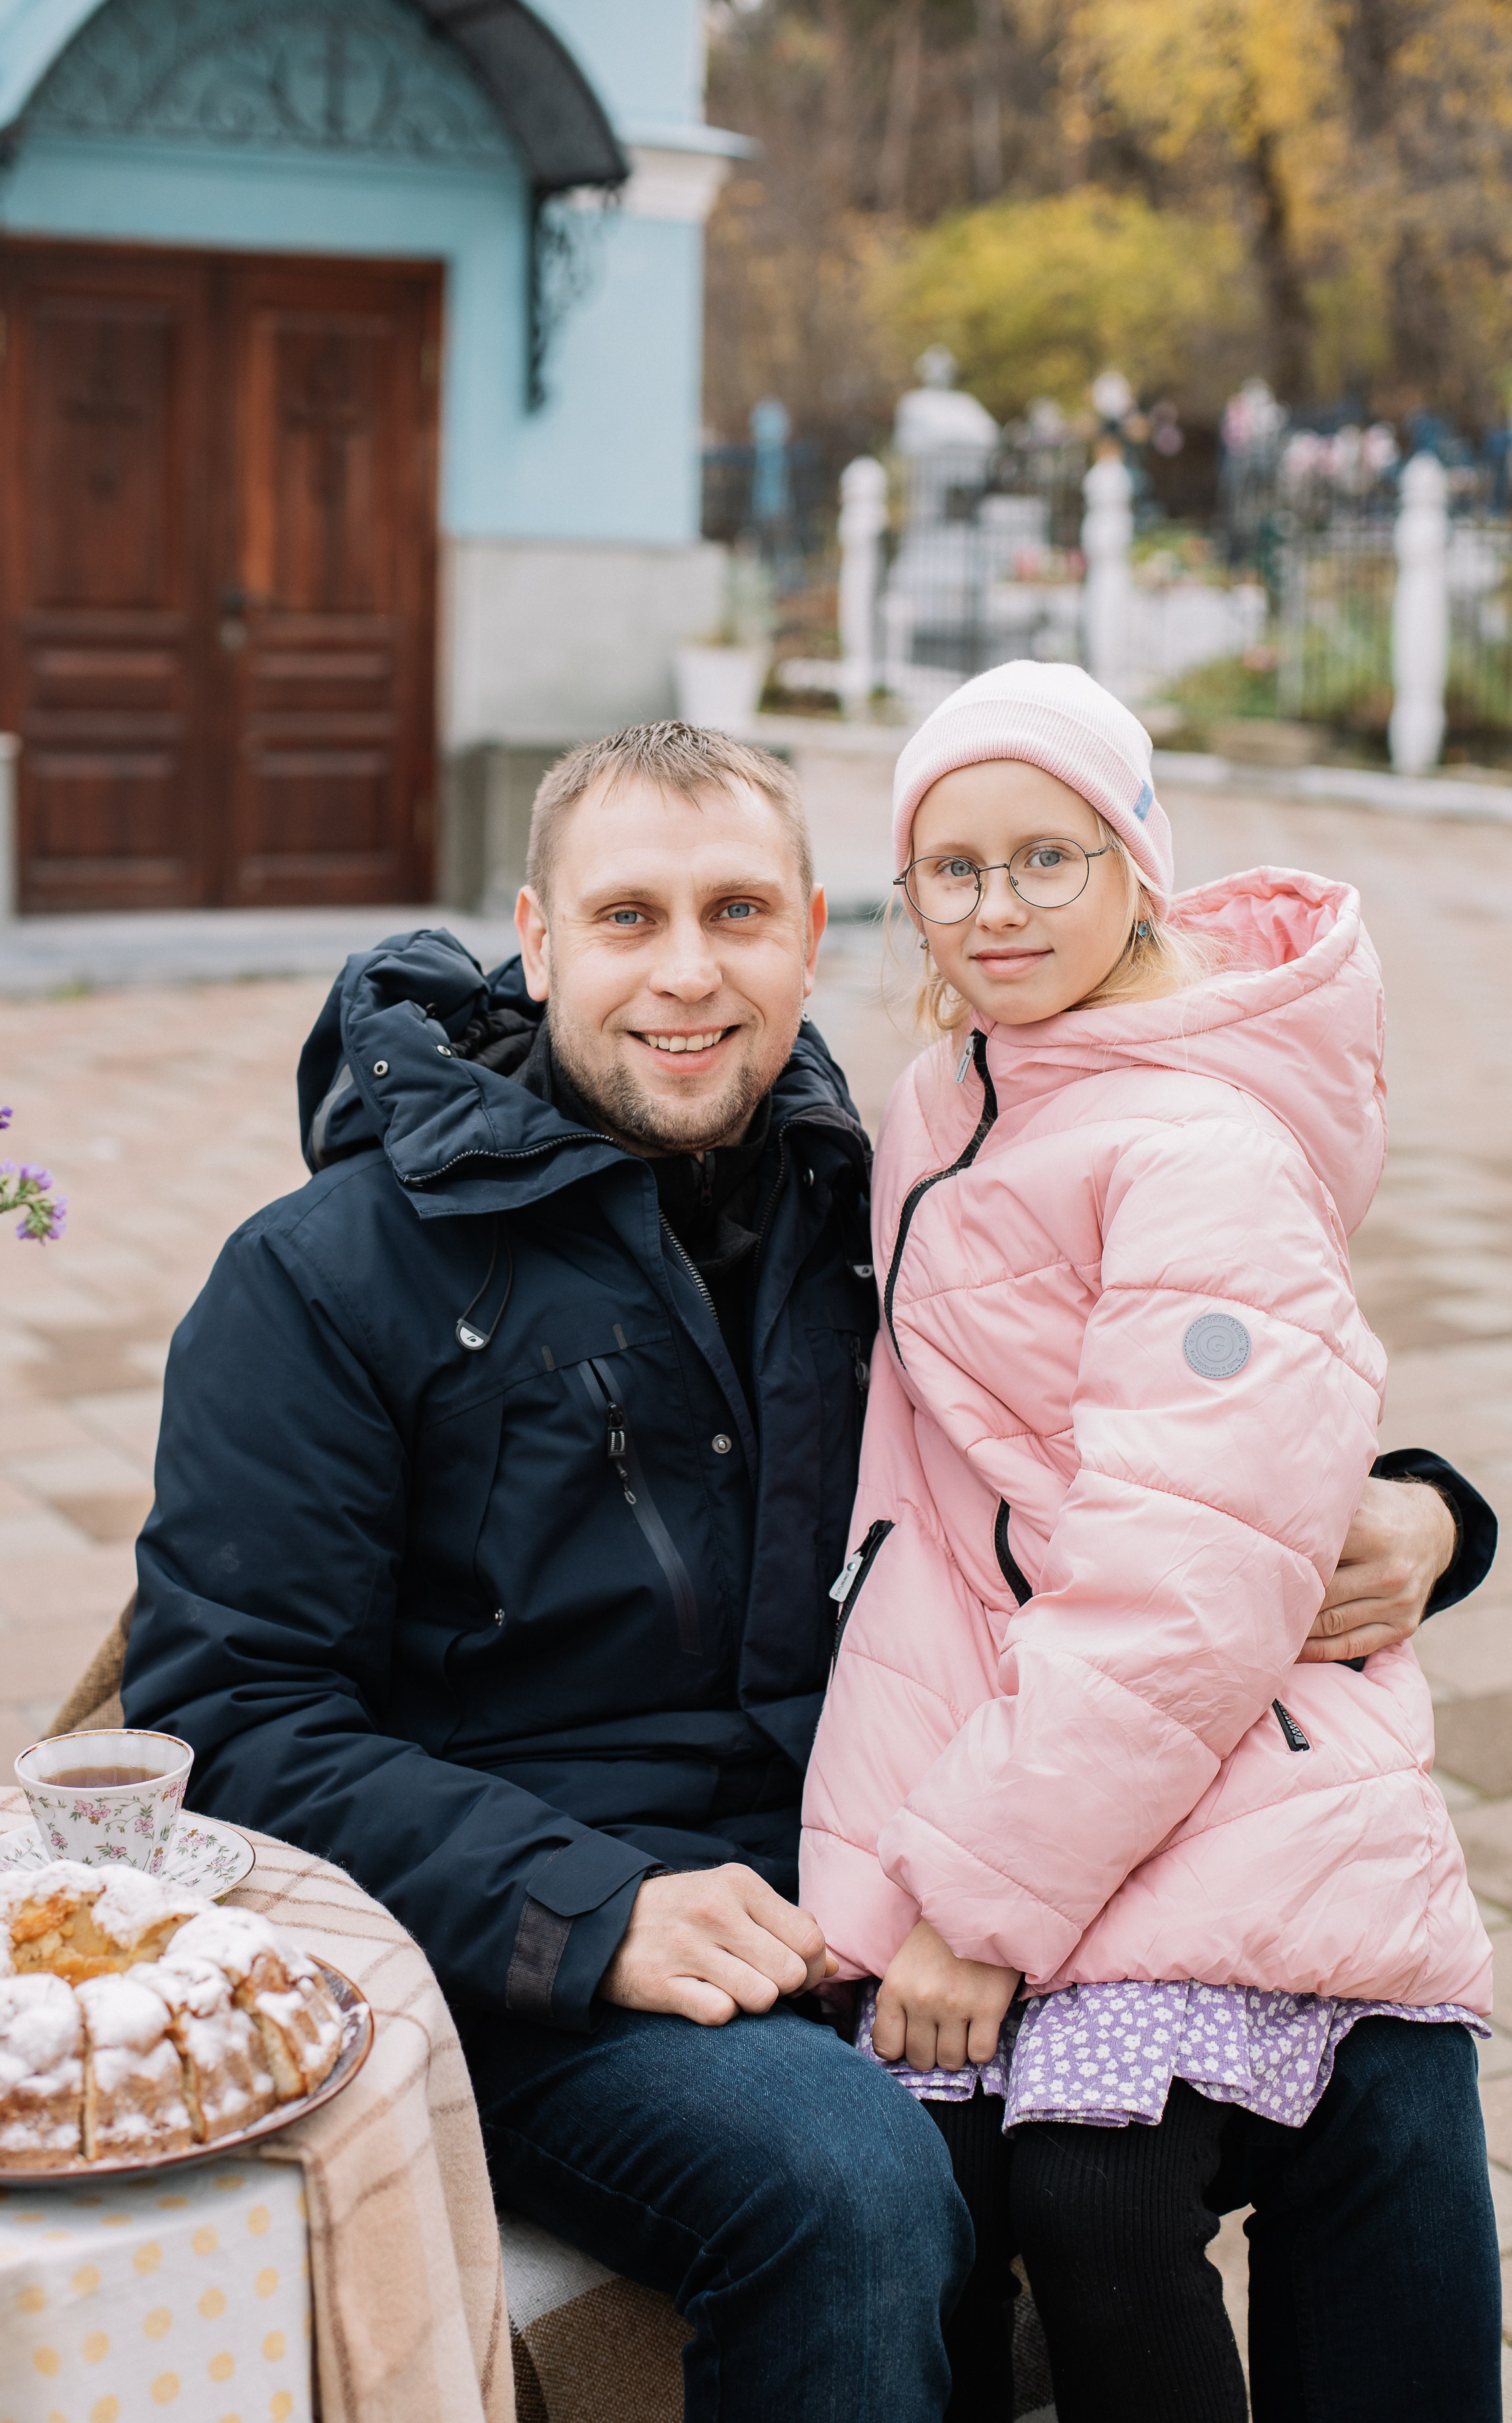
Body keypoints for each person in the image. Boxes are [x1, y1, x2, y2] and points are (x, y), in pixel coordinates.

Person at [122, 719, 1492, 2423]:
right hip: (535, 1931)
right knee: (851, 2181)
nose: (687, 974)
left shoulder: (889, 1194)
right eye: (628, 918)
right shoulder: (326, 1274)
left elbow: (1181, 1423)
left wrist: (1431, 1514)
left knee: (1395, 2058)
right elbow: (225, 1714)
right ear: (537, 936)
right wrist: (587, 1906)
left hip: (897, 1856)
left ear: (815, 928)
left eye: (737, 913)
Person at [800, 661, 1501, 2422]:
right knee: (962, 2169)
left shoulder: (1187, 1140)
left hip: (1214, 1746)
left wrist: (972, 1898)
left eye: (1048, 854)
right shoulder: (942, 1094)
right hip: (1030, 1732)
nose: (998, 904)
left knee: (1094, 2178)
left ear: (1135, 862)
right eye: (952, 868)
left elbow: (1183, 1567)